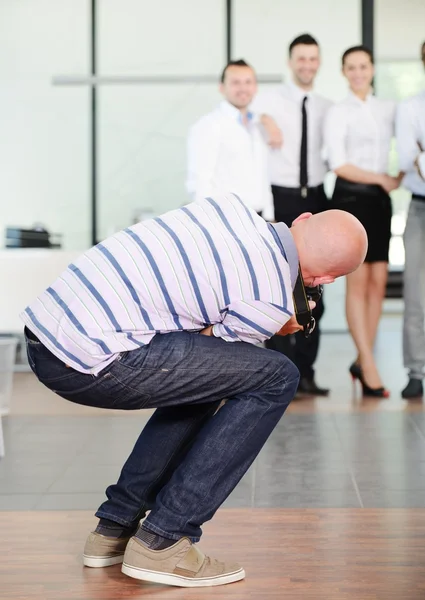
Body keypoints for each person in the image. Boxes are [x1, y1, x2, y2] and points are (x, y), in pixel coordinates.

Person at [22, 195, 367, 588]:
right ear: (325, 280)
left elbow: (204, 356)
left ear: (302, 218)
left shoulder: (229, 206)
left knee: (214, 376)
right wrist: (273, 323)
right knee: (276, 376)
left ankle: (115, 529)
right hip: (84, 360)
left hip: (44, 330)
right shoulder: (269, 296)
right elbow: (216, 351)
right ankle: (165, 539)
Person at [251, 33, 332, 397]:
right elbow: (245, 110)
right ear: (290, 61)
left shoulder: (328, 106)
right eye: (301, 58)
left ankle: (307, 371)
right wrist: (264, 120)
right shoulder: (268, 99)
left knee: (317, 285)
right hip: (280, 198)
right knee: (278, 286)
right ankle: (280, 371)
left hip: (316, 197)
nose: (307, 65)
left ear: (319, 62)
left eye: (313, 59)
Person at [324, 45, 401, 398]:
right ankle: (369, 366)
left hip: (379, 201)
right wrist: (381, 178)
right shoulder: (339, 111)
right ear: (343, 72)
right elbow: (338, 164)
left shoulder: (388, 109)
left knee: (377, 283)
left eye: (363, 66)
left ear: (372, 69)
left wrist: (399, 176)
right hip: (350, 198)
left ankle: (361, 358)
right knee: (357, 283)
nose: (357, 72)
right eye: (350, 67)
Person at [186, 59, 274, 220]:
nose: (243, 88)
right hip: (227, 219)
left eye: (248, 82)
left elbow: (262, 174)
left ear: (255, 87)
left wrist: (269, 215)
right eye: (235, 82)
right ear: (222, 87)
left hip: (260, 218)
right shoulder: (208, 126)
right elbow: (199, 183)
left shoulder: (257, 126)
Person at [395, 43, 425, 399]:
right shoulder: (411, 107)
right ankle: (416, 371)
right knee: (416, 295)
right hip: (420, 208)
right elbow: (408, 159)